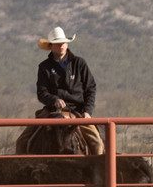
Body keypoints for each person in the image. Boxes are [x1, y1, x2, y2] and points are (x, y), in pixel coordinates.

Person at [35, 26, 104, 154]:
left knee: (98, 145)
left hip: (77, 112)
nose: (61, 45)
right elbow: (41, 92)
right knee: (22, 142)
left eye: (63, 42)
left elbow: (90, 88)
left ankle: (100, 172)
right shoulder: (44, 67)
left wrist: (87, 111)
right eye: (57, 43)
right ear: (50, 46)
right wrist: (53, 99)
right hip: (51, 111)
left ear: (67, 44)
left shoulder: (79, 63)